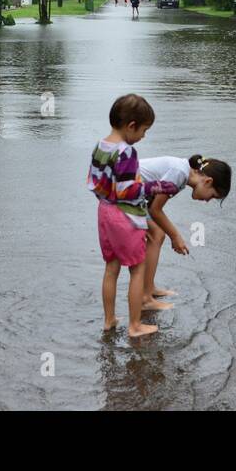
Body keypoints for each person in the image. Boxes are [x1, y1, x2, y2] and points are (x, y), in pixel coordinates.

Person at [86, 93, 170, 337]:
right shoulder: (126, 152)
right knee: (137, 269)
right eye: (143, 131)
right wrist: (154, 186)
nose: (143, 137)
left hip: (104, 213)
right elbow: (127, 190)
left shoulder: (100, 146)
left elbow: (94, 182)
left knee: (111, 268)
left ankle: (109, 319)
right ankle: (135, 325)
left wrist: (109, 201)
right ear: (131, 126)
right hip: (125, 216)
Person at [139, 155, 231, 305]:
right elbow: (155, 209)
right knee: (157, 235)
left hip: (125, 190)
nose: (207, 201)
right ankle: (145, 296)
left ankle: (148, 289)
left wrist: (173, 235)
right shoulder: (179, 173)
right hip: (120, 191)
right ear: (208, 181)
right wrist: (175, 237)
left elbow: (152, 206)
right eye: (212, 196)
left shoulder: (182, 171)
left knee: (157, 235)